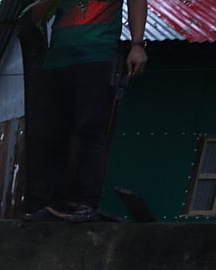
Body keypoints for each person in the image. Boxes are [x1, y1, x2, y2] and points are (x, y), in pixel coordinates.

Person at [26, 0, 148, 222]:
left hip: (96, 53)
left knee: (89, 129)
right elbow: (35, 16)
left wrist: (137, 44)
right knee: (51, 133)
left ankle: (87, 204)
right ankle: (56, 205)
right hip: (57, 57)